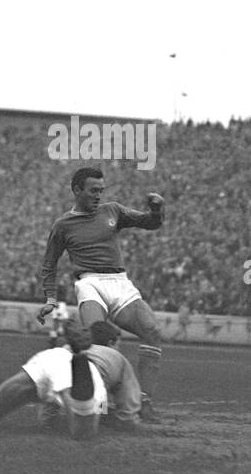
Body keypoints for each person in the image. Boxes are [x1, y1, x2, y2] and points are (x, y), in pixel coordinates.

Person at [37, 167, 166, 419]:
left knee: (152, 330)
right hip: (89, 282)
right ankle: (95, 404)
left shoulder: (113, 210)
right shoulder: (63, 224)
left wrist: (157, 210)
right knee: (98, 342)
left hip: (119, 282)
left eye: (101, 191)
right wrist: (51, 297)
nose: (98, 195)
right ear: (77, 190)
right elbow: (49, 262)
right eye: (93, 191)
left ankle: (145, 402)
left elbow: (149, 223)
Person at [0, 321, 143, 438]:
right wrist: (118, 419)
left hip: (52, 357)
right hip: (89, 373)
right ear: (111, 343)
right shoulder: (118, 358)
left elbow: (48, 414)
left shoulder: (61, 353)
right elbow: (128, 412)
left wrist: (51, 419)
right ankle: (81, 369)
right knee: (84, 430)